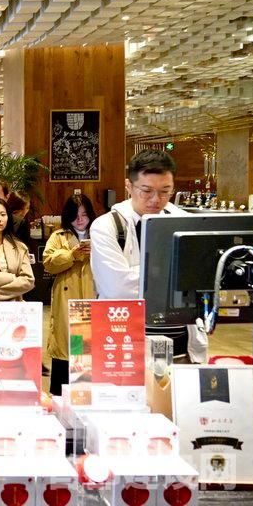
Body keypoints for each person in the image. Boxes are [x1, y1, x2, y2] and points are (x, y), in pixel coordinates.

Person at [90, 149, 189, 356]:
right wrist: (172, 274)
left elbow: (196, 282)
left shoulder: (184, 222)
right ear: (129, 186)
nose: (156, 199)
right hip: (121, 332)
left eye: (165, 191)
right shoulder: (106, 226)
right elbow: (117, 288)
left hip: (179, 334)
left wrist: (137, 273)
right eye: (146, 190)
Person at [43, 194, 97, 395]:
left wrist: (96, 252)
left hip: (92, 297)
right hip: (66, 300)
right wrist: (72, 255)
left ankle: (83, 395)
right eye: (75, 215)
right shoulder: (58, 236)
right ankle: (60, 396)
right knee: (67, 348)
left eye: (84, 214)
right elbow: (48, 263)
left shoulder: (100, 235)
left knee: (86, 348)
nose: (80, 219)